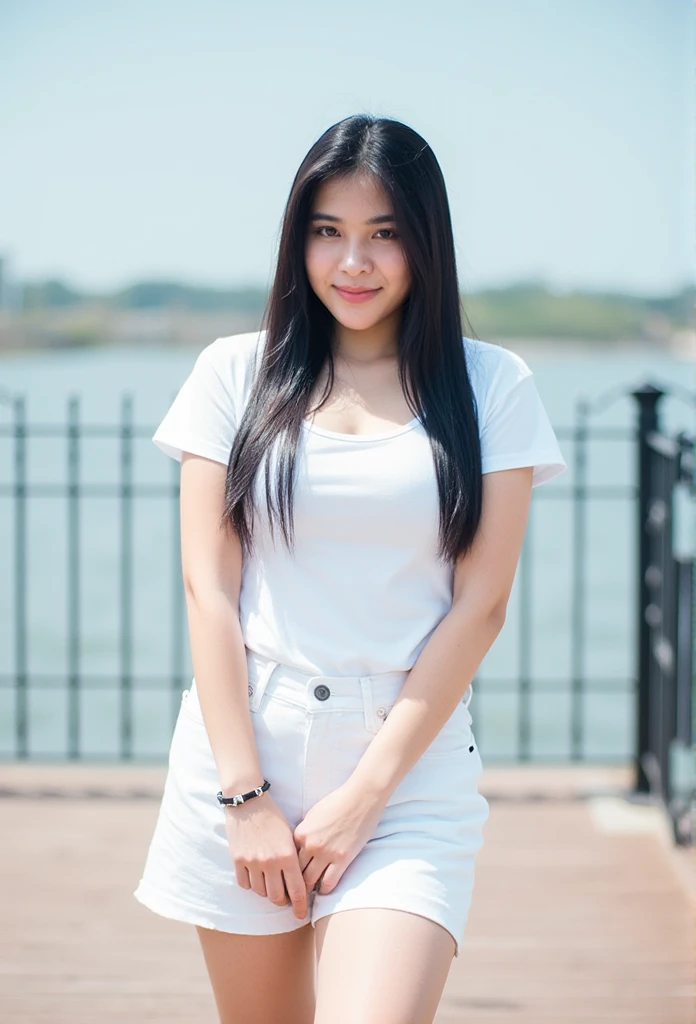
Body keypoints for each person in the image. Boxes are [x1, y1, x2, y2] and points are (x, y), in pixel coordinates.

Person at [133, 113, 567, 1024]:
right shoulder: (232, 375)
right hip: (245, 754)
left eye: (384, 234)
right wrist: (245, 796)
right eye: (328, 232)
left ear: (426, 244)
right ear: (298, 242)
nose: (353, 263)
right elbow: (208, 592)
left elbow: (480, 606)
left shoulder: (493, 387)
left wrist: (366, 794)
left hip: (406, 771)